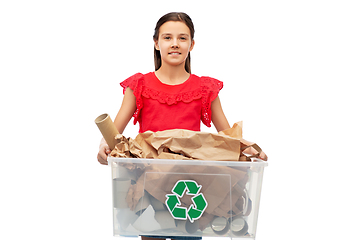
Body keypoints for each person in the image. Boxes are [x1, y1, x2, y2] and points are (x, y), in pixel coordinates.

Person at [97, 12, 266, 240]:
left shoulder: (204, 89)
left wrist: (249, 152)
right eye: (167, 37)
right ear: (156, 43)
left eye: (182, 38)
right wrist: (103, 146)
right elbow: (114, 135)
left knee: (188, 235)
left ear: (192, 45)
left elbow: (227, 139)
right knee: (150, 234)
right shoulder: (139, 86)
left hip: (191, 186)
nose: (175, 44)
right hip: (149, 183)